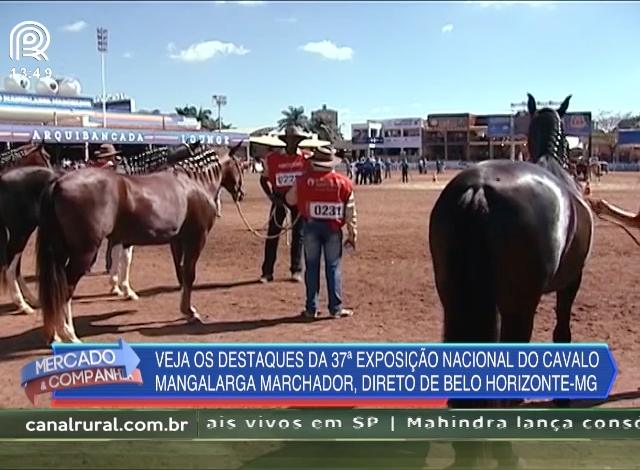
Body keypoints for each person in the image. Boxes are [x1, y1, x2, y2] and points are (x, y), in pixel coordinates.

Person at [285, 146, 356, 319]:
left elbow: (290, 199)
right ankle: (336, 308)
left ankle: (311, 308)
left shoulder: (302, 181)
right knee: (333, 267)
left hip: (310, 227)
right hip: (333, 229)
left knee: (311, 267)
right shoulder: (344, 183)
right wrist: (352, 235)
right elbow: (350, 212)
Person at [259, 126, 309, 283]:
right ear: (285, 141)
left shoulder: (307, 159)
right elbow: (263, 179)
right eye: (290, 140)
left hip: (298, 200)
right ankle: (267, 272)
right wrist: (272, 197)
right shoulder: (273, 158)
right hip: (279, 199)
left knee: (298, 235)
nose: (293, 143)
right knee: (273, 234)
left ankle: (296, 270)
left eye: (296, 140)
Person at [89, 144, 120, 273]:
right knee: (113, 240)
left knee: (93, 240)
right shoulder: (111, 169)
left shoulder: (93, 168)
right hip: (110, 207)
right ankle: (109, 266)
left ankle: (88, 265)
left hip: (93, 208)